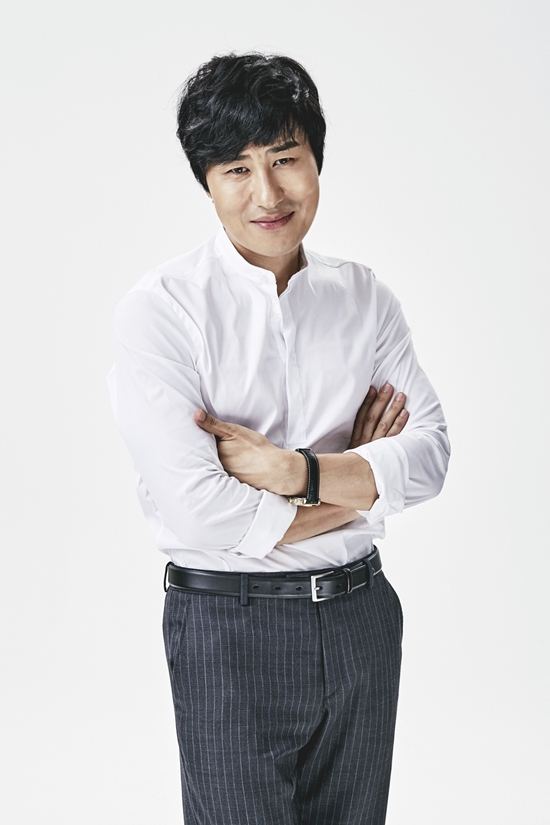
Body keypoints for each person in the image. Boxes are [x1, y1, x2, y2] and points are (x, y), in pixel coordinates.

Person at [108, 52, 450, 825]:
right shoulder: (161, 311)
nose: (267, 193)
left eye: (286, 159)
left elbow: (429, 456)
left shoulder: (364, 297)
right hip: (230, 627)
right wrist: (358, 484)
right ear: (207, 181)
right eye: (237, 168)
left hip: (362, 616)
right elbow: (203, 513)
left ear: (316, 162)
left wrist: (291, 471)